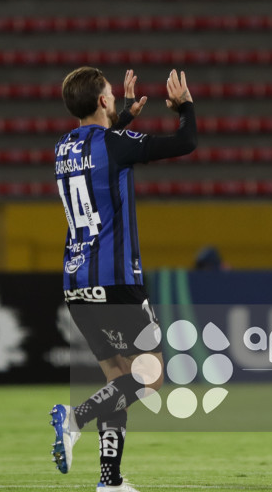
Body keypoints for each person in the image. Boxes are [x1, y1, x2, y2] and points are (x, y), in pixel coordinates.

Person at [50, 66, 197, 492]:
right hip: (115, 278)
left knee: (118, 380)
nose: (114, 98)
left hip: (76, 281)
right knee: (150, 377)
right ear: (101, 101)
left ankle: (110, 482)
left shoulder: (62, 147)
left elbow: (101, 148)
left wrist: (124, 117)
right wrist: (185, 107)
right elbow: (185, 142)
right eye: (111, 95)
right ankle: (74, 417)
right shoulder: (114, 143)